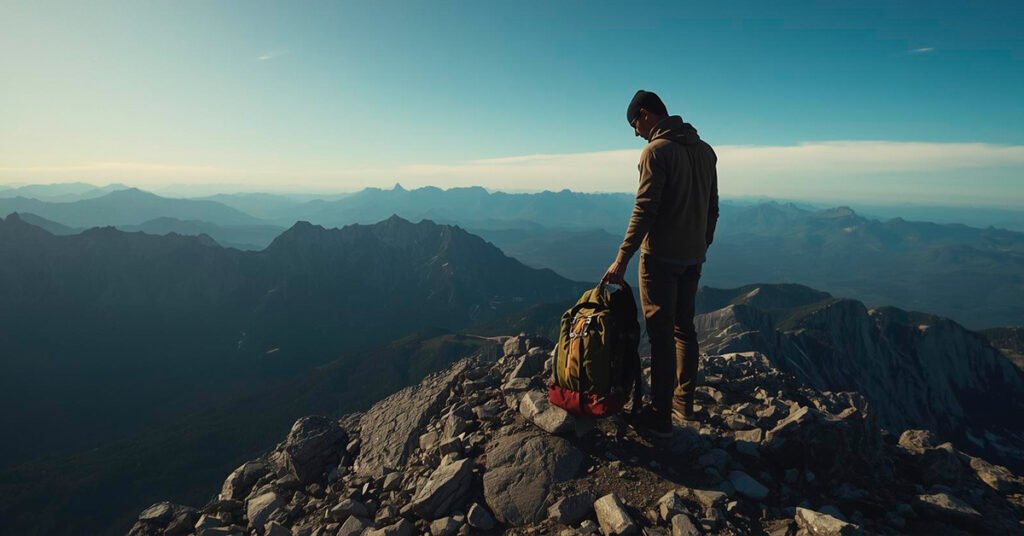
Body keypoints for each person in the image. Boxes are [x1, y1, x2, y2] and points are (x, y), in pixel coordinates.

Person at [602, 90, 719, 438]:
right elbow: (712, 207)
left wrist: (622, 257)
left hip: (660, 258)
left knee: (660, 335)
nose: (635, 132)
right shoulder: (705, 151)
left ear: (646, 114)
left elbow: (645, 208)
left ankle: (660, 414)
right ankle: (684, 403)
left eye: (634, 124)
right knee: (685, 328)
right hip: (693, 256)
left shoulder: (656, 151)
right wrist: (703, 243)